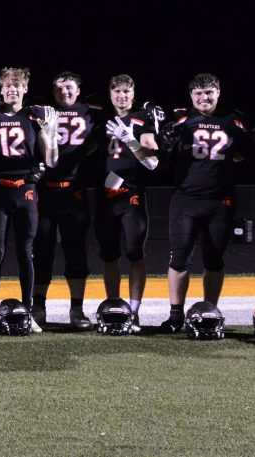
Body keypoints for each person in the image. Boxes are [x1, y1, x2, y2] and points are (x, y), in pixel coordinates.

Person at [0, 68, 58, 329]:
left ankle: (27, 312)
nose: (12, 89)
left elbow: (50, 160)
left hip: (25, 190)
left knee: (25, 253)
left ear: (25, 89)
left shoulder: (33, 116)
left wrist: (50, 133)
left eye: (17, 85)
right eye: (7, 85)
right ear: (1, 88)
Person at [158, 74, 251, 332]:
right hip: (186, 199)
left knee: (214, 259)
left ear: (218, 92)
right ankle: (176, 315)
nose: (204, 97)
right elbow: (163, 163)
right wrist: (166, 146)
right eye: (198, 93)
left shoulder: (233, 120)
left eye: (209, 92)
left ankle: (210, 311)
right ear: (191, 96)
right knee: (179, 259)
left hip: (220, 200)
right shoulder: (180, 120)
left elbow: (245, 156)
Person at [32, 71, 100, 329]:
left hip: (74, 191)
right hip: (46, 190)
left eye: (69, 88)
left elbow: (102, 135)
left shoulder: (92, 112)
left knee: (76, 251)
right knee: (42, 251)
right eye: (59, 89)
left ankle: (77, 308)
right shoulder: (43, 111)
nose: (65, 93)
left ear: (79, 89)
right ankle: (38, 306)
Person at [94, 75, 160, 331]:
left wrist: (130, 139)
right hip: (105, 195)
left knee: (134, 253)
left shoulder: (142, 120)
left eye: (126, 91)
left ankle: (133, 312)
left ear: (134, 94)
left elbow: (152, 162)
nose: (122, 96)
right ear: (110, 95)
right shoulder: (102, 121)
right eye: (117, 91)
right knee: (109, 255)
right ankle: (114, 307)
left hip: (130, 193)